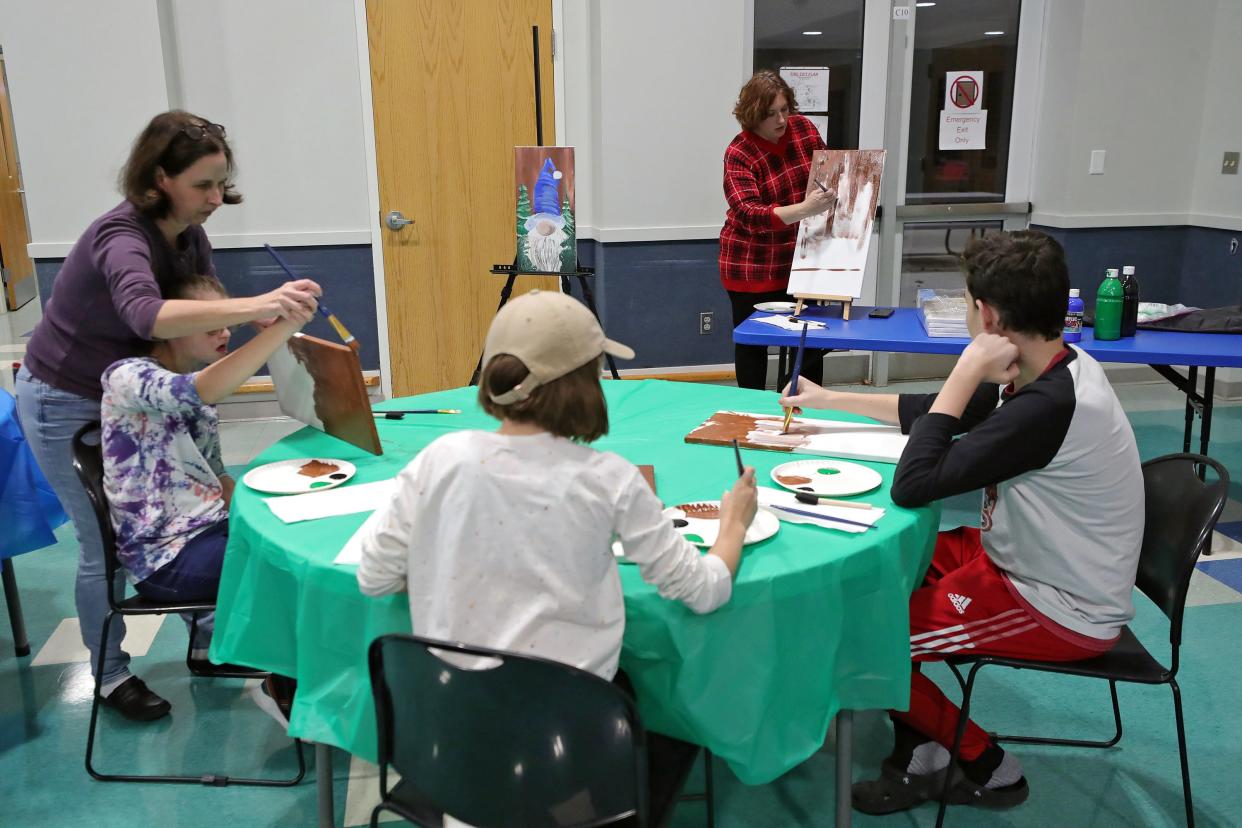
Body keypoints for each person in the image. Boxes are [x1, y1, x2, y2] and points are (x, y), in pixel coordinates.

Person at [356, 289, 759, 823]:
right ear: (584, 383)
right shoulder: (608, 478)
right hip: (569, 747)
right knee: (664, 712)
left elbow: (374, 577)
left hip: (449, 742)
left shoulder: (440, 459)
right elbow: (704, 592)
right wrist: (732, 525)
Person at [780, 231, 1144, 814]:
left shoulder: (1048, 406)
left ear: (989, 314)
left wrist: (967, 366)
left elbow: (916, 481)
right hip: (1026, 557)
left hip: (1058, 603)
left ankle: (988, 766)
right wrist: (829, 400)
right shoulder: (1051, 367)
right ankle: (920, 741)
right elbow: (937, 412)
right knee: (899, 569)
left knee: (860, 643)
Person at [15, 111, 321, 722]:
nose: (216, 198)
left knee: (193, 498)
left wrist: (239, 319)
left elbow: (192, 307)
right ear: (160, 178)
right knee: (103, 546)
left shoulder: (188, 235)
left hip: (148, 387)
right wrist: (262, 304)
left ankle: (209, 641)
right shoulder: (120, 236)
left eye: (221, 183)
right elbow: (147, 317)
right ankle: (107, 675)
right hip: (65, 394)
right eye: (203, 185)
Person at [100, 274, 312, 666]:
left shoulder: (192, 379)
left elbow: (215, 471)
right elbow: (200, 390)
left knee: (296, 535)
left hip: (204, 530)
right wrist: (285, 326)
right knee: (293, 569)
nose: (225, 332)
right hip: (165, 560)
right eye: (210, 324)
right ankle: (281, 678)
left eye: (226, 321)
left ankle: (215, 643)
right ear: (169, 327)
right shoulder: (127, 377)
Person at [720, 70, 835, 390]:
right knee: (753, 345)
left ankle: (803, 406)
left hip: (800, 258)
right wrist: (805, 209)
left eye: (785, 109)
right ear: (752, 115)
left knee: (810, 339)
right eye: (771, 114)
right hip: (751, 264)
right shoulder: (739, 152)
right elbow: (749, 214)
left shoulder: (805, 130)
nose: (781, 119)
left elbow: (827, 173)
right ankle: (752, 414)